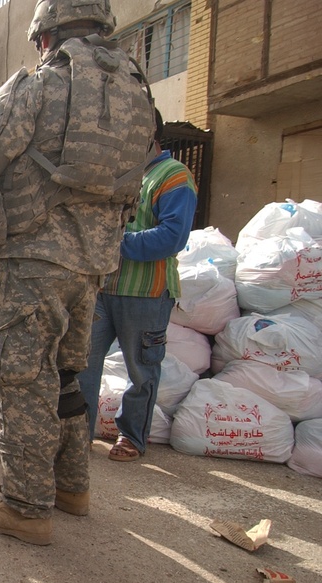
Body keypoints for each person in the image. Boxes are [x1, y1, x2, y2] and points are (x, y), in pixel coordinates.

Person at [0, 0, 155, 545]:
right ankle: (72, 488)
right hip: (94, 264)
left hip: (33, 261)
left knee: (19, 381)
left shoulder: (39, 85)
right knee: (64, 374)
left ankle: (28, 507)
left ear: (46, 33)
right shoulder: (137, 91)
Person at [78, 109, 197, 462]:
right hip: (103, 290)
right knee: (82, 365)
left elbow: (172, 237)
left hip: (146, 294)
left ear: (149, 135)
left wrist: (114, 241)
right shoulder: (123, 176)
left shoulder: (174, 176)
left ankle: (131, 437)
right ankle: (76, 436)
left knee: (141, 372)